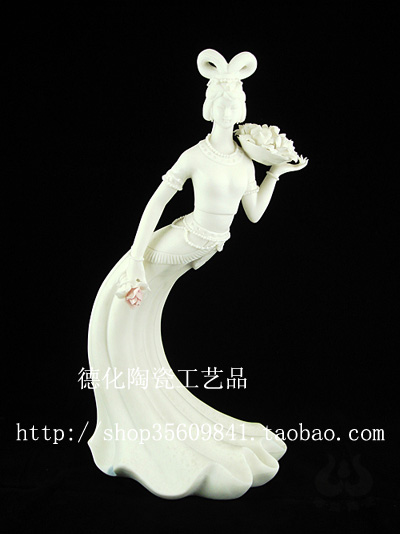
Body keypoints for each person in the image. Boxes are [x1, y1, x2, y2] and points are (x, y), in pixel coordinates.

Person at [87, 49, 308, 500]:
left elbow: (254, 213)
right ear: (209, 107)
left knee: (138, 316)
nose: (228, 110)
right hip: (179, 242)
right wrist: (136, 259)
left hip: (204, 248)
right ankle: (131, 422)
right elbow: (156, 204)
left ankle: (155, 407)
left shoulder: (244, 162)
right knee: (122, 305)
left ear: (242, 108)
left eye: (235, 103)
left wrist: (275, 173)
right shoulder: (195, 155)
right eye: (221, 103)